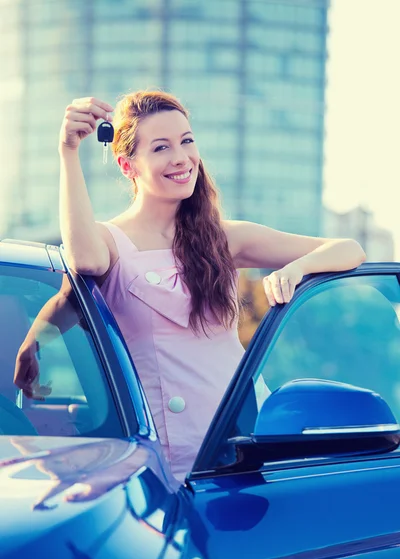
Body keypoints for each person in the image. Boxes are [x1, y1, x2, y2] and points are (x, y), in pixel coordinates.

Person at [17, 91, 366, 481]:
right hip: (165, 457)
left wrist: (297, 269)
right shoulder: (109, 242)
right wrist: (68, 152)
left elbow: (348, 249)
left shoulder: (221, 237)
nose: (181, 157)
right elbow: (83, 262)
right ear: (127, 165)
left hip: (244, 442)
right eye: (161, 147)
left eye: (187, 140)